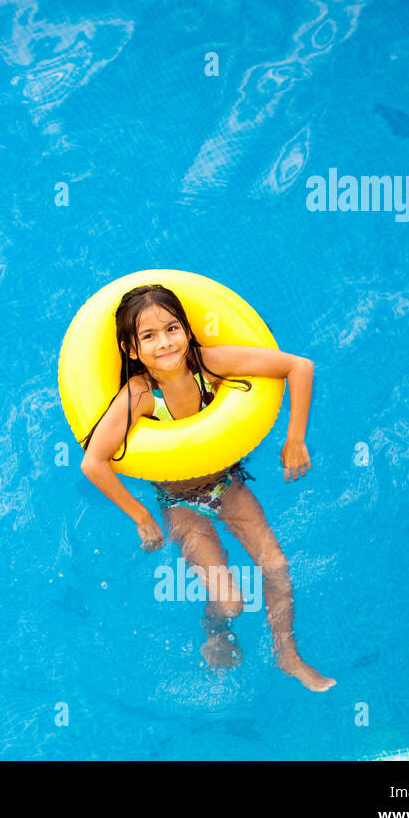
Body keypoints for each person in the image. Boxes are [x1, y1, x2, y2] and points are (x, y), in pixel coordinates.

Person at [80, 283, 335, 692]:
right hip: (178, 501)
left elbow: (299, 367)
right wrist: (142, 517)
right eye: (149, 336)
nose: (165, 342)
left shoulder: (208, 364)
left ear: (187, 329)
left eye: (171, 329)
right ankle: (215, 629)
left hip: (225, 485)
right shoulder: (141, 395)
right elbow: (93, 462)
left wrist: (295, 439)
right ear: (131, 349)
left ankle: (288, 655)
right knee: (231, 602)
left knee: (276, 568)